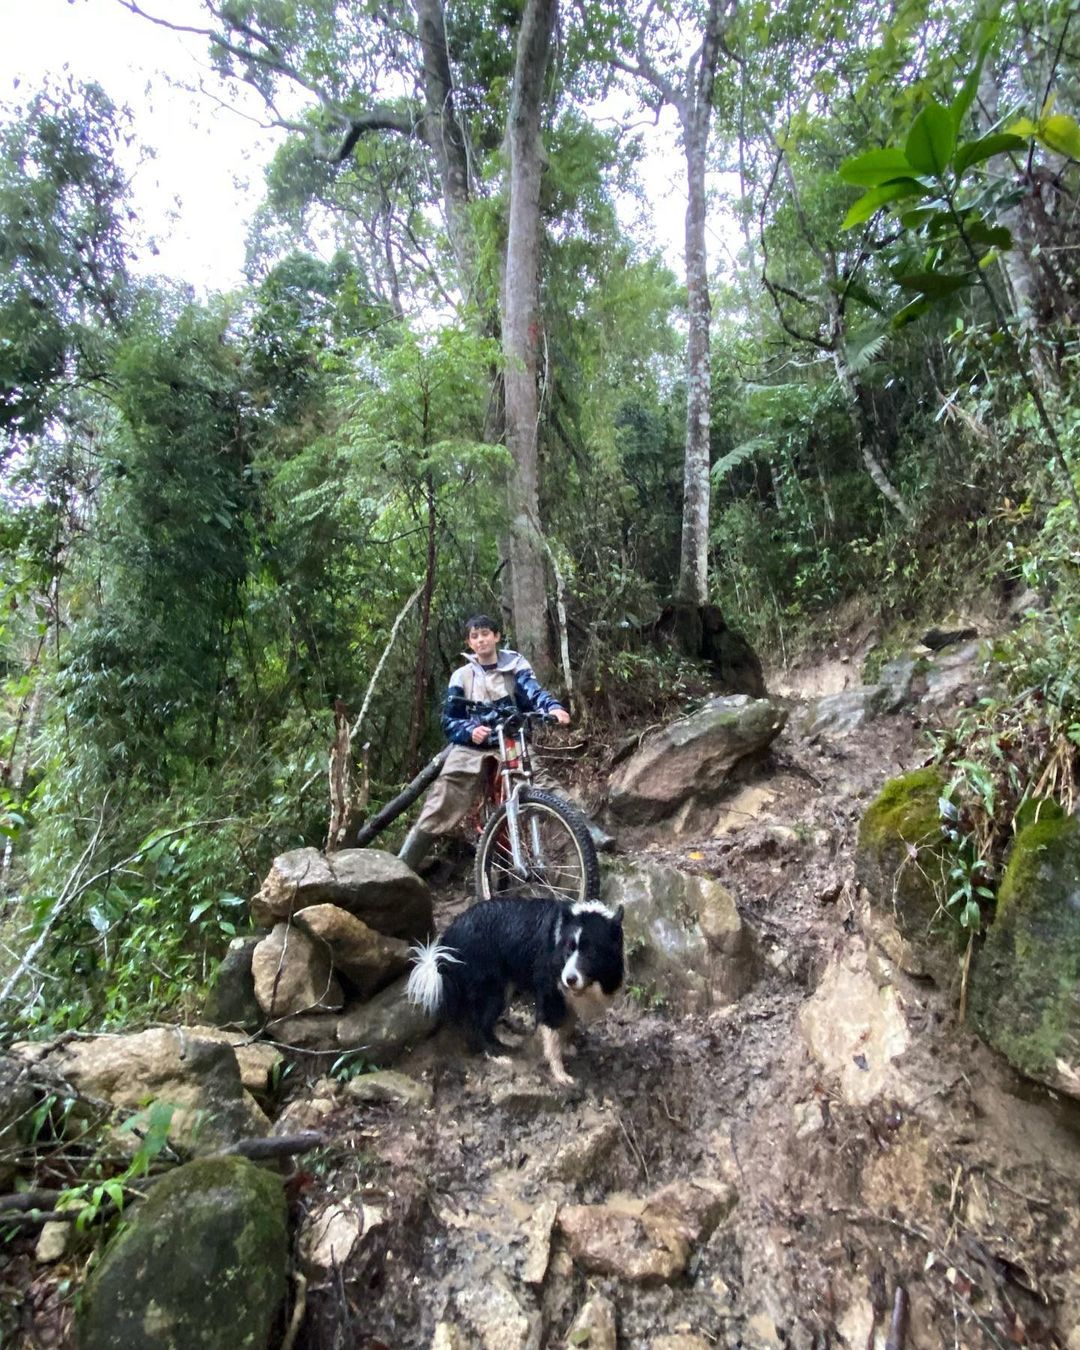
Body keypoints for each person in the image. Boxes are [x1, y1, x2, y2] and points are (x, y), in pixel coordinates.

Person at [397, 614, 570, 871]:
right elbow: (449, 720)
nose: (481, 640)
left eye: (486, 634)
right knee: (446, 791)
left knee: (540, 779)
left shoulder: (515, 665)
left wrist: (554, 708)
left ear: (497, 636)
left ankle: (587, 833)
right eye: (475, 636)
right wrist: (469, 730)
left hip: (510, 737)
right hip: (471, 746)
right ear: (469, 642)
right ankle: (403, 864)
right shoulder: (462, 676)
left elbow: (534, 693)